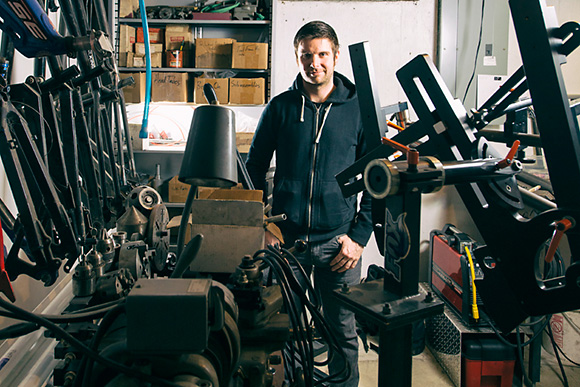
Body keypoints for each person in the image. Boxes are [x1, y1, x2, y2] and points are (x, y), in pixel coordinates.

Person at [246, 20, 373, 386]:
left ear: (334, 55)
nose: (313, 62)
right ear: (297, 57)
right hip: (286, 242)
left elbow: (376, 182)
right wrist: (262, 225)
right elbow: (252, 169)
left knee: (342, 333)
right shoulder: (280, 108)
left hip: (339, 243)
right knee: (280, 328)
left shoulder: (358, 110)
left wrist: (359, 237)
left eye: (321, 54)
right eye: (306, 55)